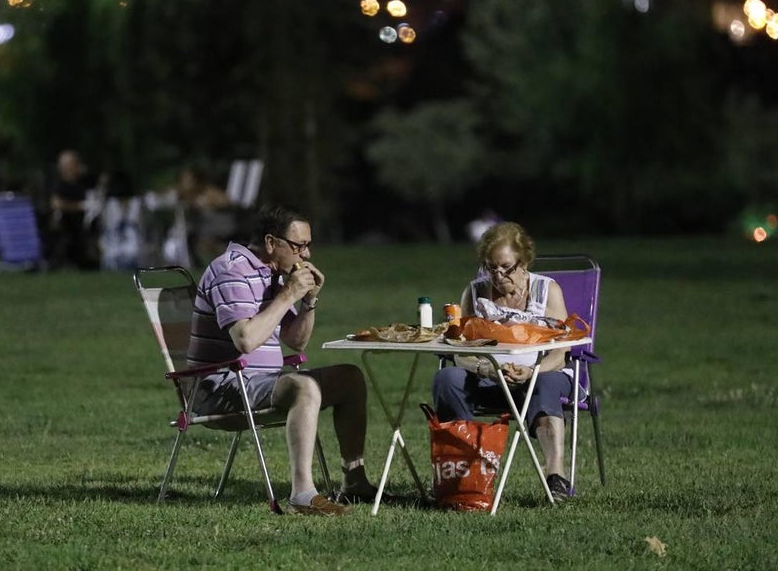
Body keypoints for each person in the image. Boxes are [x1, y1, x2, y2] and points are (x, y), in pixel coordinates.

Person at [187, 204, 382, 515]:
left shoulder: (271, 274)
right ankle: (302, 493)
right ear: (270, 243)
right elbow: (246, 340)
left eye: (307, 245)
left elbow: (296, 340)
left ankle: (354, 481)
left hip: (259, 383)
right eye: (298, 246)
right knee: (303, 387)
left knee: (350, 378)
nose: (305, 255)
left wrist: (308, 302)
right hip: (220, 389)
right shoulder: (230, 270)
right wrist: (288, 294)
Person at [430, 221, 575, 502]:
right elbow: (460, 352)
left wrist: (532, 372)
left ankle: (555, 477)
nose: (497, 275)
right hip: (488, 375)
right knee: (446, 379)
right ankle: (465, 470)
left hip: (540, 373)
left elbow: (560, 353)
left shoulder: (549, 291)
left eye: (505, 267)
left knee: (545, 385)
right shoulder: (474, 292)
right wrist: (488, 368)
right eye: (490, 267)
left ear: (524, 262)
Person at [47, 150, 102, 270]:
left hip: (88, 224)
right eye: (64, 166)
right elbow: (56, 204)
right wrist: (80, 206)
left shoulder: (86, 182)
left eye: (70, 165)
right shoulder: (60, 185)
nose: (67, 169)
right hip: (69, 225)